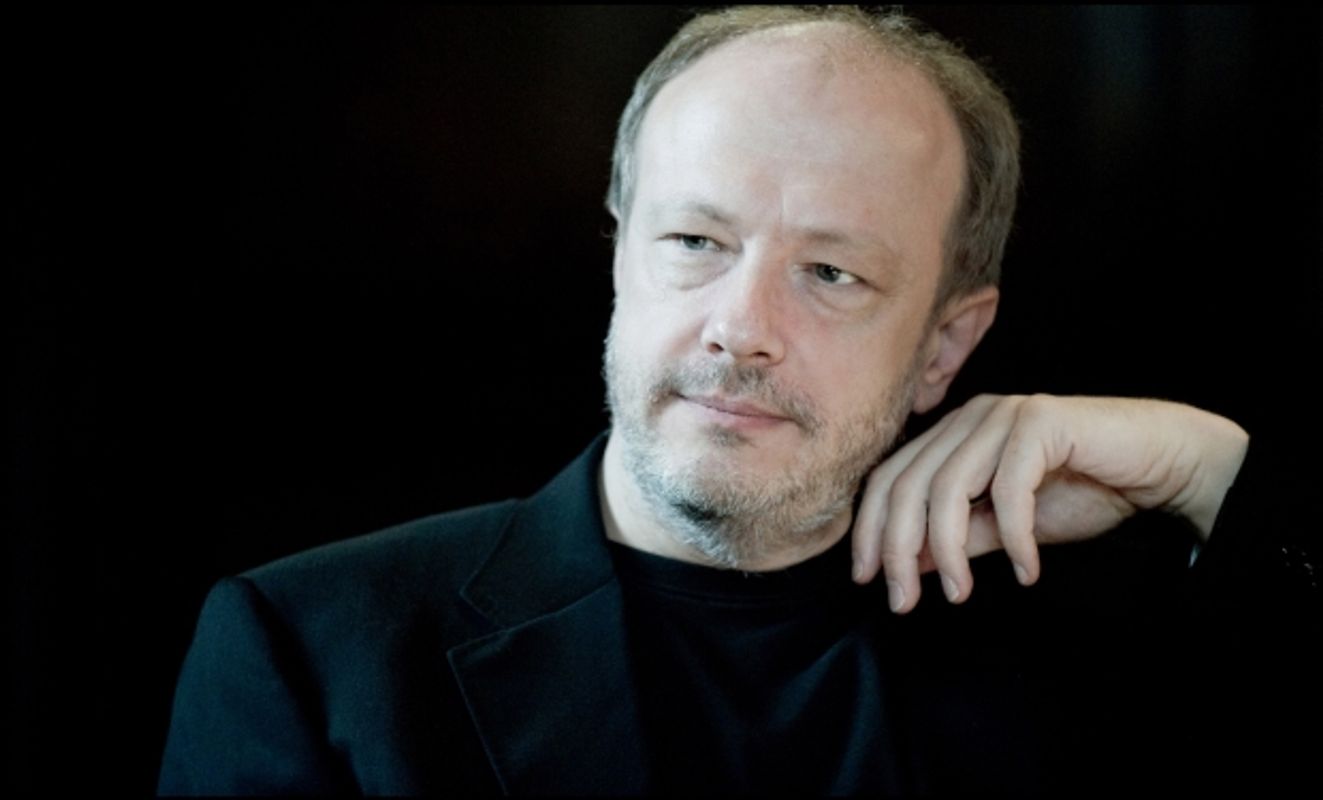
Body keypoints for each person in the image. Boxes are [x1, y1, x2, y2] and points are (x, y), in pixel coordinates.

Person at [160, 6, 1315, 794]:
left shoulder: (1097, 654)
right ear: (622, 255)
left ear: (945, 345)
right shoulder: (311, 649)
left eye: (832, 272)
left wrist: (1208, 464)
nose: (741, 325)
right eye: (696, 241)